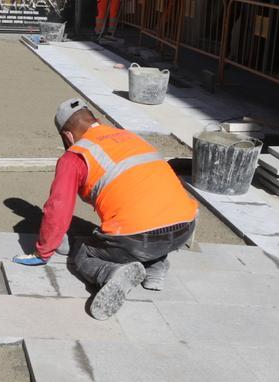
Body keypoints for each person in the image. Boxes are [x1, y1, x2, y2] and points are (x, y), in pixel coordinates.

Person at [12, 99, 198, 320]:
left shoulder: (75, 156)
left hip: (139, 238)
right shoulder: (129, 136)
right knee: (148, 218)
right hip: (185, 227)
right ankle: (156, 265)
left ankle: (112, 273)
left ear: (68, 136)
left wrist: (42, 252)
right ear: (96, 121)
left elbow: (58, 207)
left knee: (84, 251)